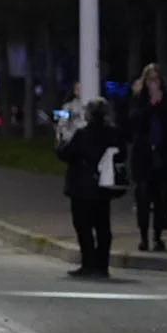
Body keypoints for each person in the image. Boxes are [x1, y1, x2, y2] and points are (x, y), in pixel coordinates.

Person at [57, 98, 124, 278]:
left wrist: (61, 140)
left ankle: (88, 263)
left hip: (82, 187)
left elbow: (65, 154)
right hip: (104, 186)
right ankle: (102, 265)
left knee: (83, 226)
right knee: (103, 226)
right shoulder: (113, 134)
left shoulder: (82, 135)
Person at [127, 64, 167, 253]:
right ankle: (143, 236)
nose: (153, 83)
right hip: (143, 154)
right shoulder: (138, 98)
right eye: (150, 79)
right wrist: (150, 105)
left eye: (156, 80)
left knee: (161, 197)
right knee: (143, 196)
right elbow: (133, 120)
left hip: (162, 153)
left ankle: (158, 235)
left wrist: (162, 103)